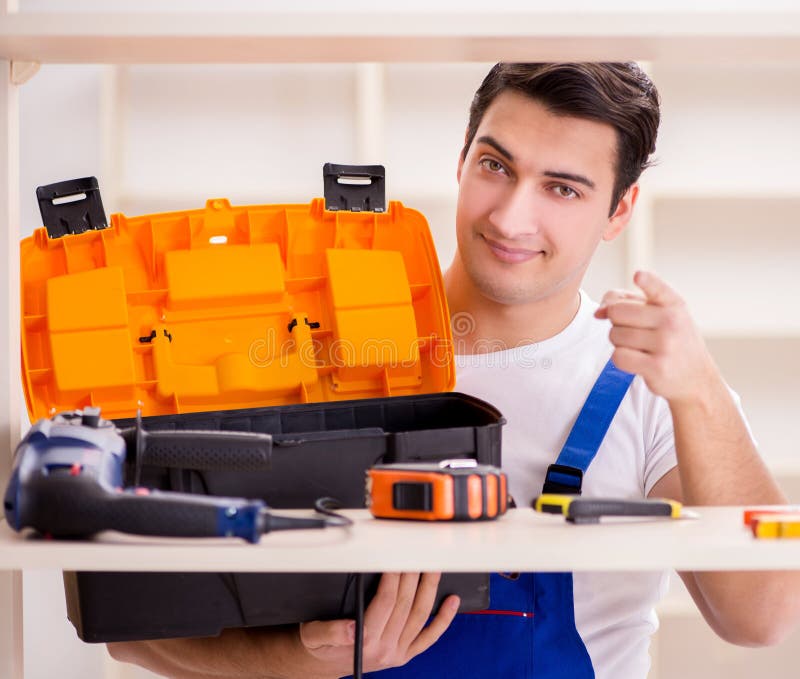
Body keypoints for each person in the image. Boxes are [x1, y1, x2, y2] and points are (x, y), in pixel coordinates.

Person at [109, 62, 800, 678]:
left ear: (619, 209)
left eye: (562, 189)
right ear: (462, 157)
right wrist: (288, 662)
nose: (510, 216)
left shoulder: (652, 393)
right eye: (497, 166)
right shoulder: (315, 351)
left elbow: (762, 616)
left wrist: (703, 390)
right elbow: (133, 630)